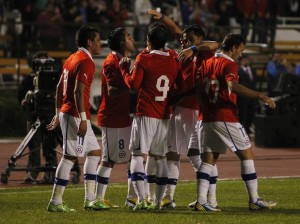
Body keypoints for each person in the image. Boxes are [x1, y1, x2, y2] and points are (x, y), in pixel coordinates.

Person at [194, 33, 277, 211]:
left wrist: (207, 106)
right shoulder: (228, 63)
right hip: (225, 116)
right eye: (240, 50)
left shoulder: (206, 63)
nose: (240, 54)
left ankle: (201, 201)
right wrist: (261, 96)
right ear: (233, 48)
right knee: (247, 155)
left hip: (208, 117)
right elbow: (233, 86)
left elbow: (199, 89)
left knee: (209, 159)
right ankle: (254, 200)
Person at [147, 9, 219, 209]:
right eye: (184, 40)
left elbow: (215, 43)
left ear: (200, 39)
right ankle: (169, 197)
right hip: (179, 110)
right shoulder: (184, 50)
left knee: (197, 156)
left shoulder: (203, 52)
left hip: (193, 110)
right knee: (173, 153)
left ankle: (210, 199)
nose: (184, 42)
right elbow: (175, 29)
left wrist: (193, 49)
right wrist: (161, 17)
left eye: (190, 39)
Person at [119, 25, 184, 210]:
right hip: (164, 114)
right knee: (161, 157)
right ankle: (158, 201)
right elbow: (180, 84)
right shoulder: (173, 58)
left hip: (146, 112)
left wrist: (125, 69)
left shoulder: (144, 58)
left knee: (138, 155)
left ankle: (142, 199)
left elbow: (133, 84)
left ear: (148, 40)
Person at [46, 25, 103, 212]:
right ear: (89, 42)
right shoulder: (86, 61)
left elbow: (58, 88)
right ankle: (55, 201)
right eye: (97, 40)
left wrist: (57, 113)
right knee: (70, 157)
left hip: (68, 112)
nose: (100, 44)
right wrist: (85, 119)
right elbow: (78, 91)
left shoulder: (71, 58)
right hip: (75, 115)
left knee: (94, 152)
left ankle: (90, 200)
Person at [96, 27, 136, 208]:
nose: (132, 39)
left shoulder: (121, 60)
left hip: (121, 116)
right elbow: (112, 91)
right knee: (109, 159)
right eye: (128, 37)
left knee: (132, 157)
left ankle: (130, 199)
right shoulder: (112, 62)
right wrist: (134, 88)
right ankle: (97, 199)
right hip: (112, 117)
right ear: (122, 43)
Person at [17, 51, 58, 183]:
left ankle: (51, 174)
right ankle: (32, 175)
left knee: (50, 146)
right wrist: (25, 102)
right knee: (33, 147)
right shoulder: (29, 80)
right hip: (34, 117)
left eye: (46, 63)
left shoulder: (54, 78)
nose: (43, 66)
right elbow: (21, 97)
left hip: (51, 116)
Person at [237, 54, 257, 135]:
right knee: (243, 114)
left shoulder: (253, 70)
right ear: (241, 61)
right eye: (244, 60)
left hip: (252, 95)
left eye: (247, 60)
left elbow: (254, 82)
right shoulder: (238, 70)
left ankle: (248, 129)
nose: (246, 61)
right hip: (243, 96)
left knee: (251, 113)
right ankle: (243, 131)